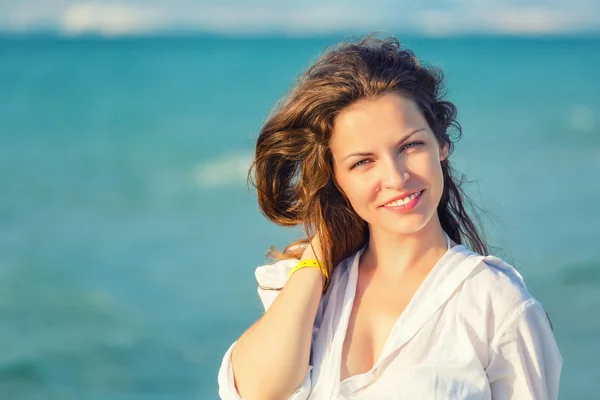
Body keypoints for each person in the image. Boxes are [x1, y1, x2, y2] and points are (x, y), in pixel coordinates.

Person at [217, 33, 562, 399]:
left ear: (441, 144)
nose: (397, 178)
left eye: (410, 146)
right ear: (336, 177)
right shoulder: (313, 288)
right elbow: (257, 391)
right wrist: (320, 252)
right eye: (363, 162)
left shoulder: (496, 305)